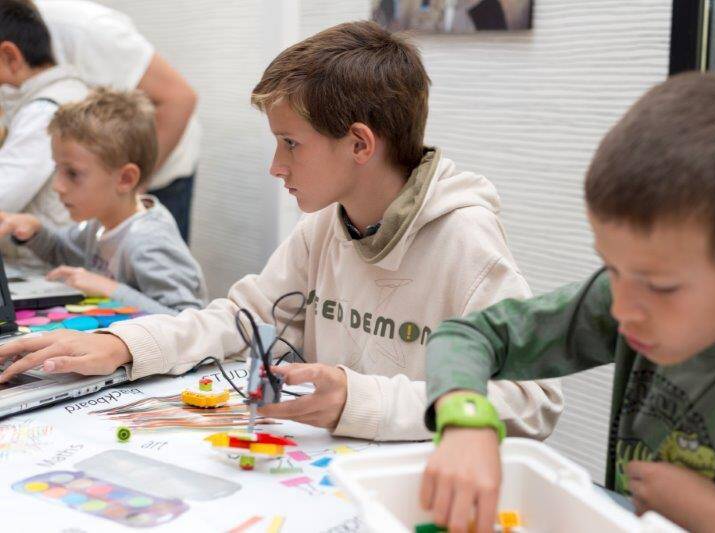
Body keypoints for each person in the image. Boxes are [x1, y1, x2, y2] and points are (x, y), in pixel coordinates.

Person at [0, 21, 562, 443]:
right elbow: (239, 319)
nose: (276, 166)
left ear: (360, 144)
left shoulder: (464, 238)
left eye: (291, 143)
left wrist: (363, 400)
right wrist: (125, 344)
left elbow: (532, 400)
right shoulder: (324, 225)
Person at [418, 72, 715, 533]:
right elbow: (469, 335)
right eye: (612, 268)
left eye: (661, 287)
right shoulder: (624, 298)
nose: (622, 309)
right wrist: (466, 420)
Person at [0, 88, 207, 314]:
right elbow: (63, 251)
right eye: (57, 169)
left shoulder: (149, 242)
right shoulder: (99, 223)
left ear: (125, 179)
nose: (57, 185)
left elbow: (188, 320)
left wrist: (110, 288)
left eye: (72, 173)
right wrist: (34, 232)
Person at [34, 0, 201, 242]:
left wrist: (128, 199)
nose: (58, 186)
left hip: (157, 171)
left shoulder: (85, 29)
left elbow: (180, 99)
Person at [0, 0, 86, 268]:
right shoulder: (67, 93)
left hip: (44, 264)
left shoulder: (44, 111)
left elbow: (3, 195)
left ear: (10, 57)